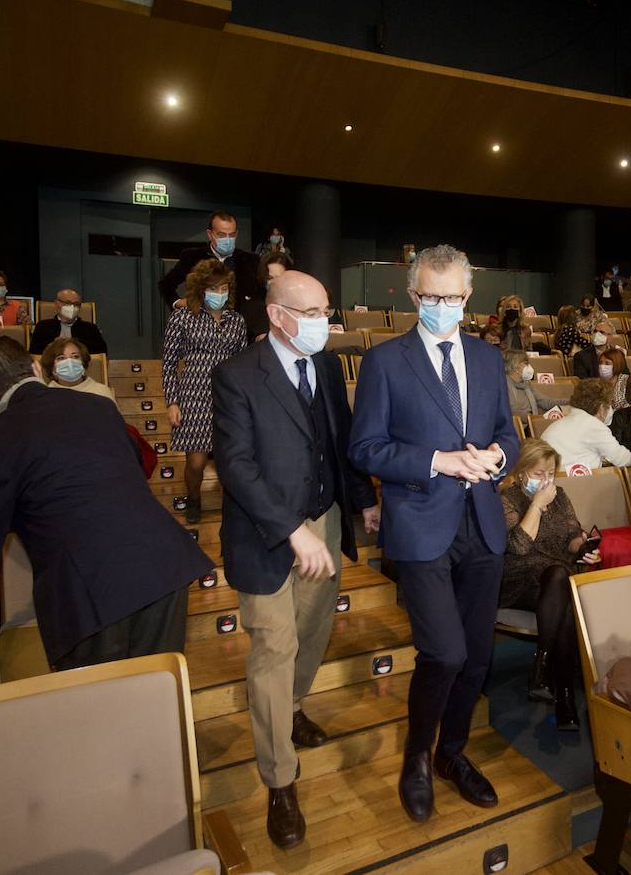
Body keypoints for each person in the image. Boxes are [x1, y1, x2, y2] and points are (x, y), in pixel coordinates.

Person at [0, 337, 212, 679]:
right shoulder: (96, 405)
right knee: (158, 691)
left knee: (103, 707)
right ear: (36, 367)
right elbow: (135, 467)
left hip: (89, 587)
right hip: (162, 563)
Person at [348, 245, 519, 825]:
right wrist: (437, 462)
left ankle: (452, 753)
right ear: (412, 295)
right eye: (429, 297)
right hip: (421, 524)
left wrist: (498, 456)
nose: (440, 306)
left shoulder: (489, 358)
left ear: (468, 298)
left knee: (476, 659)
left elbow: (508, 436)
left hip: (483, 526)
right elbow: (365, 447)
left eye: (451, 298)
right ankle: (416, 758)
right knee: (443, 653)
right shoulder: (385, 361)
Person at [211, 270, 379, 849]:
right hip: (266, 532)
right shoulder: (236, 375)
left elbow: (339, 439)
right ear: (278, 316)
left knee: (312, 631)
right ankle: (280, 781)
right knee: (274, 647)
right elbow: (234, 464)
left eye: (326, 311)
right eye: (311, 313)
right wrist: (289, 529)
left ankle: (295, 707)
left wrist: (363, 503)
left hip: (325, 517)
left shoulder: (328, 365)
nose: (324, 323)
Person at [500, 440, 598, 731]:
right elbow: (518, 546)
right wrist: (537, 506)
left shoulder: (561, 495)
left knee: (560, 585)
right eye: (538, 474)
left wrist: (583, 545)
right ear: (521, 473)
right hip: (517, 580)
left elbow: (570, 536)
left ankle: (547, 672)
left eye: (551, 474)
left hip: (553, 581)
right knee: (560, 582)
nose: (546, 482)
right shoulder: (505, 498)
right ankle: (563, 695)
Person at [162, 260, 249, 523]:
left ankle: (233, 507)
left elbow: (243, 361)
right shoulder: (182, 317)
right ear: (200, 289)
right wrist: (172, 401)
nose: (219, 293)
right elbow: (168, 362)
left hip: (228, 397)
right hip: (193, 395)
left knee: (230, 460)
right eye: (213, 288)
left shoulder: (237, 320)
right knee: (196, 463)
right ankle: (194, 498)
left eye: (223, 287)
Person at [158, 210, 262, 311]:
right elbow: (166, 283)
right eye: (221, 235)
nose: (227, 239)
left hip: (239, 324)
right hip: (200, 324)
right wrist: (177, 303)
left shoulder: (251, 260)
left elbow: (261, 294)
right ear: (210, 234)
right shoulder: (192, 257)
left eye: (231, 235)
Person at [540, 378, 631, 469]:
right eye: (609, 404)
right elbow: (621, 458)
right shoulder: (594, 426)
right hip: (576, 483)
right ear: (601, 408)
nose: (610, 409)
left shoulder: (564, 422)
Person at [29, 287, 108, 355]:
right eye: (67, 303)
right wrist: (52, 347)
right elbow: (33, 353)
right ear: (57, 304)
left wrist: (76, 346)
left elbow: (101, 354)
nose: (72, 307)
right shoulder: (43, 327)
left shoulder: (90, 328)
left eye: (76, 304)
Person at [240, 247, 292, 342]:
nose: (274, 282)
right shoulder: (253, 306)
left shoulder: (297, 305)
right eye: (270, 278)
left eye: (279, 277)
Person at [41, 337, 114, 401]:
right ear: (52, 369)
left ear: (83, 363)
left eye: (75, 356)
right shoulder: (44, 397)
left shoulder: (102, 393)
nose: (70, 362)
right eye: (61, 358)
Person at [503, 350, 545, 417]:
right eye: (526, 364)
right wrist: (534, 419)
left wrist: (567, 401)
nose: (529, 367)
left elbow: (544, 401)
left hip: (532, 422)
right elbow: (513, 412)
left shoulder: (526, 383)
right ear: (516, 367)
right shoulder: (504, 386)